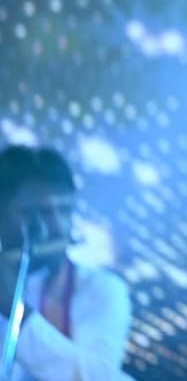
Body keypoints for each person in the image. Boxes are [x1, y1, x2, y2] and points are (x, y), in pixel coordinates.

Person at [0, 145, 132, 381]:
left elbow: (100, 377)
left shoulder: (100, 289)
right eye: (38, 214)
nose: (58, 227)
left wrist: (15, 309)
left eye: (65, 211)